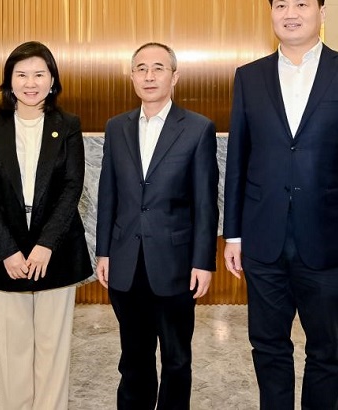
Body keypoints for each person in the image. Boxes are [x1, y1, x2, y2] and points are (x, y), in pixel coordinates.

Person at [223, 0, 338, 409]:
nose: (290, 13)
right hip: (263, 237)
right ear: (271, 13)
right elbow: (238, 161)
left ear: (321, 12)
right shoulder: (249, 77)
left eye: (301, 4)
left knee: (326, 350)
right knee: (267, 345)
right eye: (280, 5)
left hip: (327, 238)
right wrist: (233, 234)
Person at [95, 42, 219, 410]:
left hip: (176, 263)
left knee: (176, 360)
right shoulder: (116, 127)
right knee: (134, 359)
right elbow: (108, 194)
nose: (149, 76)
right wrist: (103, 251)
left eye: (158, 68)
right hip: (126, 261)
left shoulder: (197, 128)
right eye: (141, 68)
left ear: (174, 76)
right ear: (132, 76)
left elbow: (205, 203)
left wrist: (203, 261)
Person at [0, 41, 92, 409]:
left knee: (54, 345)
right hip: (6, 247)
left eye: (39, 74)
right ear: (9, 81)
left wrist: (46, 244)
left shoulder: (68, 125)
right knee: (14, 347)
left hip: (55, 245)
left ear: (52, 80)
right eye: (21, 74)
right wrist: (6, 248)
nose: (30, 83)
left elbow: (72, 187)